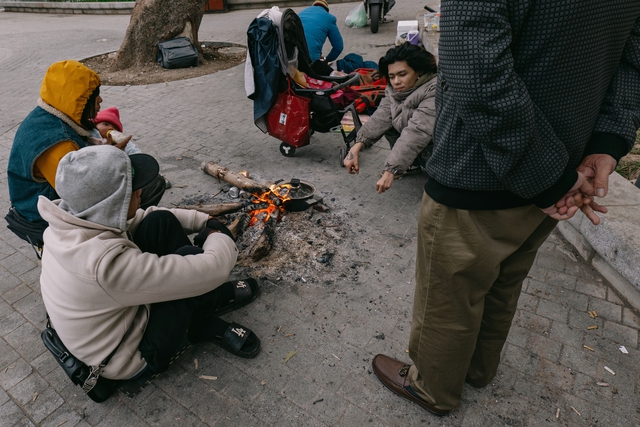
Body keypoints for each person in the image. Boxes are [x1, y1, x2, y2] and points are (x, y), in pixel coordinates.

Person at [371, 2, 640, 416]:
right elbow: (631, 60)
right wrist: (606, 142)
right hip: (561, 169)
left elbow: (475, 72)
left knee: (449, 293)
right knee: (502, 279)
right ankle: (478, 368)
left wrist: (547, 174)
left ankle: (434, 388)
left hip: (480, 170)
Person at [38, 145, 261, 397]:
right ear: (112, 203)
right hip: (127, 356)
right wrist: (219, 234)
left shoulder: (76, 219)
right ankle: (201, 322)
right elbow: (214, 267)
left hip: (116, 317)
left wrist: (203, 221)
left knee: (158, 223)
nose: (141, 191)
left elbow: (146, 215)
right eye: (133, 189)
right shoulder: (102, 266)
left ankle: (205, 300)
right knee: (189, 260)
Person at [343, 44, 437, 194]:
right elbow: (381, 117)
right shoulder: (394, 89)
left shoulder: (434, 90)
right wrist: (357, 146)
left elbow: (417, 132)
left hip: (436, 151)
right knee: (391, 120)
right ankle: (410, 165)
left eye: (402, 74)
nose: (396, 82)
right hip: (419, 145)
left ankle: (436, 173)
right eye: (392, 76)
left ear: (418, 71)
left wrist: (390, 170)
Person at [93, 106, 171, 200]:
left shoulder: (123, 143)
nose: (110, 128)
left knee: (156, 181)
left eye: (115, 129)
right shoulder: (91, 141)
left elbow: (136, 154)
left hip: (124, 177)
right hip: (103, 185)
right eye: (105, 124)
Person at [298, 0, 344, 74]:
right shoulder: (329, 18)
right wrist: (327, 60)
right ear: (326, 10)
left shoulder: (301, 13)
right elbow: (338, 47)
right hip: (310, 63)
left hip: (292, 59)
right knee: (333, 75)